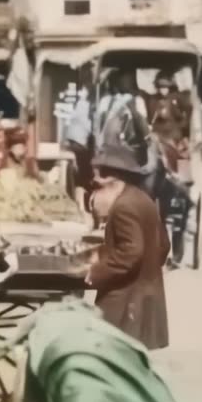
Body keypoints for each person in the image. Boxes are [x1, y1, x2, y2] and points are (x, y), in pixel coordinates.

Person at [85, 144, 171, 350]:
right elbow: (164, 245)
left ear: (112, 182)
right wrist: (147, 272)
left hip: (127, 301)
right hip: (145, 296)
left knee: (110, 358)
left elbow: (131, 252)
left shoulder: (123, 207)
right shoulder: (142, 198)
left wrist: (95, 271)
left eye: (98, 187)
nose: (94, 194)